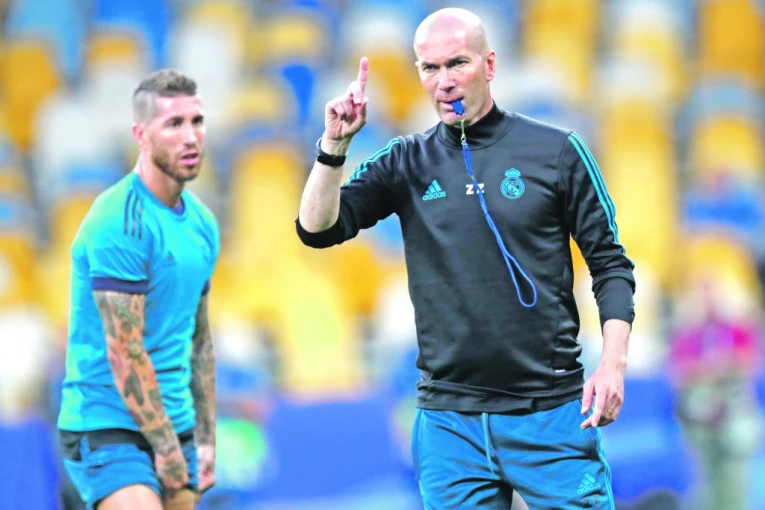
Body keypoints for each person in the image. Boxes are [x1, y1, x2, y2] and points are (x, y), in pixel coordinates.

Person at [296, 8, 635, 510]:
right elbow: (316, 229)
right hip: (449, 424)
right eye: (430, 68)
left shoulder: (557, 151)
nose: (445, 81)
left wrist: (612, 364)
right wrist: (333, 147)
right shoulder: (405, 161)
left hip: (549, 412)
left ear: (489, 64)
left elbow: (610, 265)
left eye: (457, 63)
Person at [57, 69, 220, 510]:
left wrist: (205, 439)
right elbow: (124, 350)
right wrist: (165, 447)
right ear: (141, 135)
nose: (191, 137)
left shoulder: (202, 224)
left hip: (177, 421)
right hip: (108, 423)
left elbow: (199, 339)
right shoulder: (119, 219)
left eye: (197, 121)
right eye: (174, 124)